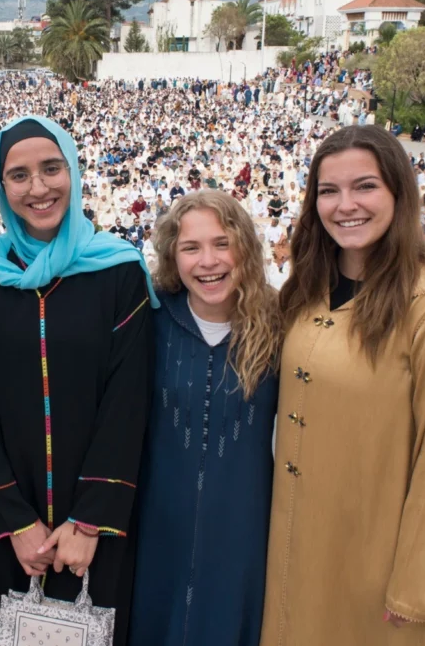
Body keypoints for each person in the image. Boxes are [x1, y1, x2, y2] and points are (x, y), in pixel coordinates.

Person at [260, 125, 425, 646]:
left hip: (372, 567)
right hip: (292, 548)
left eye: (365, 186)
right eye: (328, 190)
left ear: (399, 193)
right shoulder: (308, 286)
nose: (346, 206)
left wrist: (416, 589)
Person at [0, 116, 158, 646]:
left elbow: (127, 401)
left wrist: (90, 521)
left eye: (51, 169)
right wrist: (14, 521)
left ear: (75, 170)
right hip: (10, 529)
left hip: (94, 530)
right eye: (18, 175)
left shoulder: (118, 271)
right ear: (0, 187)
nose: (38, 188)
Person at [130, 191, 281, 646]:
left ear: (245, 249)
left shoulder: (281, 323)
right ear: (171, 256)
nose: (208, 261)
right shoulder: (149, 320)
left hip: (244, 532)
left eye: (222, 243)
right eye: (191, 247)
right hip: (157, 530)